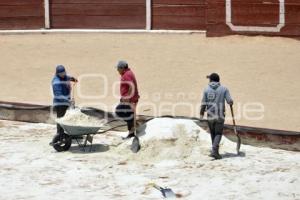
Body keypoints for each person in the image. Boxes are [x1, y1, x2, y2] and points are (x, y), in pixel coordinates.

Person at [200, 73, 233, 159]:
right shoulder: (224, 89)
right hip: (220, 115)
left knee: (213, 133)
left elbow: (203, 103)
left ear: (211, 80)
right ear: (218, 80)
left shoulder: (206, 89)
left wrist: (201, 114)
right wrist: (231, 102)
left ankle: (215, 151)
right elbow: (229, 100)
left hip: (210, 115)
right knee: (218, 133)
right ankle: (215, 151)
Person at [115, 61, 140, 139]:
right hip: (132, 98)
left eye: (118, 68)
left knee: (120, 111)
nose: (117, 70)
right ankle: (132, 130)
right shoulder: (128, 73)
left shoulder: (126, 75)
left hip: (130, 100)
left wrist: (127, 98)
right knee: (127, 114)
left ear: (122, 68)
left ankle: (132, 130)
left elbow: (131, 86)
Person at [51, 65, 77, 140]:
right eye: (61, 73)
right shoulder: (56, 82)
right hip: (60, 104)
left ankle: (73, 133)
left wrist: (72, 78)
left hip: (66, 103)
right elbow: (58, 95)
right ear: (57, 73)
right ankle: (59, 135)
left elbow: (67, 77)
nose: (63, 74)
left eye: (64, 72)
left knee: (72, 117)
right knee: (61, 120)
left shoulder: (64, 76)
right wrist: (68, 101)